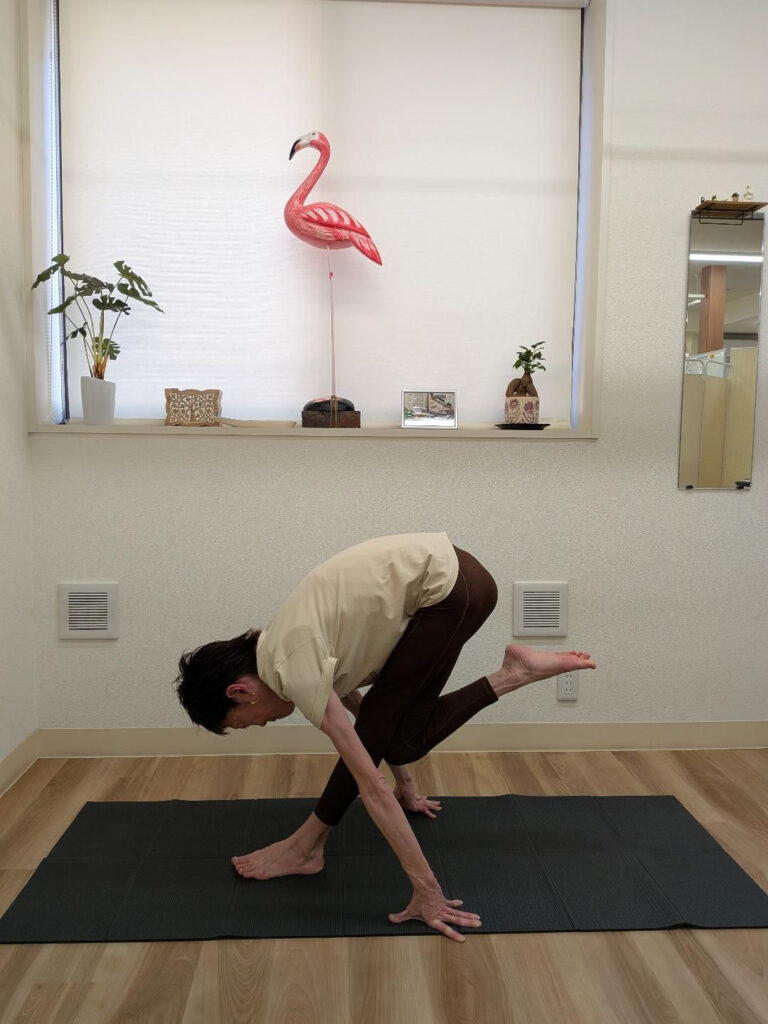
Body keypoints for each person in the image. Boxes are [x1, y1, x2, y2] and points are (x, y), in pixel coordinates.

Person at [175, 533, 596, 943]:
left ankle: (304, 849)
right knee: (399, 740)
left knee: (394, 743)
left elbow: (369, 783)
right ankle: (514, 673)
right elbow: (369, 719)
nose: (262, 724)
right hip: (464, 584)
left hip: (448, 592)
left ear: (239, 691)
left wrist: (428, 892)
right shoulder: (280, 646)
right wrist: (406, 785)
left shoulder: (291, 664)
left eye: (246, 722)